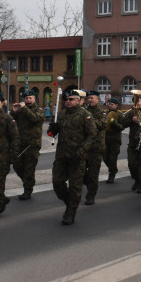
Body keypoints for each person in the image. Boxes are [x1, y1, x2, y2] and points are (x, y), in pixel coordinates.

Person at [52, 90, 95, 225]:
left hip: (76, 156)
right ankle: (69, 202)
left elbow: (92, 135)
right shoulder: (62, 114)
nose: (68, 101)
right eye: (67, 99)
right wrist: (53, 129)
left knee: (75, 187)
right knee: (57, 182)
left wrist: (81, 152)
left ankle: (71, 211)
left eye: (71, 99)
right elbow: (54, 133)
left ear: (78, 100)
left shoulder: (85, 115)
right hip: (61, 156)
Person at [11, 90, 45, 200]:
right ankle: (28, 182)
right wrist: (14, 112)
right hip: (20, 143)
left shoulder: (38, 110)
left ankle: (27, 190)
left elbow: (35, 119)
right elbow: (12, 122)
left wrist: (24, 108)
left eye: (30, 98)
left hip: (32, 144)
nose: (28, 100)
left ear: (35, 99)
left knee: (29, 168)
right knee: (17, 165)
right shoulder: (22, 110)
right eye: (26, 98)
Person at [81, 90, 107, 205]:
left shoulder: (101, 112)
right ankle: (88, 184)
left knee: (93, 173)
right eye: (89, 98)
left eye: (92, 98)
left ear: (98, 99)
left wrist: (89, 118)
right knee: (80, 171)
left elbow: (102, 125)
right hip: (84, 147)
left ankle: (91, 195)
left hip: (96, 147)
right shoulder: (84, 110)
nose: (90, 100)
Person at [102, 98, 124, 183]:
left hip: (115, 140)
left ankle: (111, 175)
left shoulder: (120, 115)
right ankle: (113, 169)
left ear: (116, 105)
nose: (110, 105)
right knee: (105, 158)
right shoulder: (106, 113)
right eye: (109, 104)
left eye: (112, 104)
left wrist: (114, 123)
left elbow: (122, 127)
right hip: (106, 139)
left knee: (112, 158)